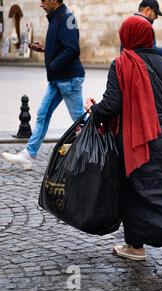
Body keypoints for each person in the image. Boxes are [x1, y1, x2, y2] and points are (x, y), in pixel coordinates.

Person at [84, 16, 162, 279]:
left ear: (127, 37)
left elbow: (112, 105)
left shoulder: (121, 64)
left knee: (135, 192)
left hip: (138, 142)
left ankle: (136, 245)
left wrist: (94, 111)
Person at [2, 0, 84, 170]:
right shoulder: (56, 18)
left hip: (68, 79)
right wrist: (45, 49)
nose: (41, 4)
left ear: (55, 0)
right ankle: (29, 155)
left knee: (80, 119)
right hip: (57, 79)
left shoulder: (67, 18)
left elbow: (72, 49)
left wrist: (53, 65)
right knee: (42, 114)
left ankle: (103, 146)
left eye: (44, 0)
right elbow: (63, 47)